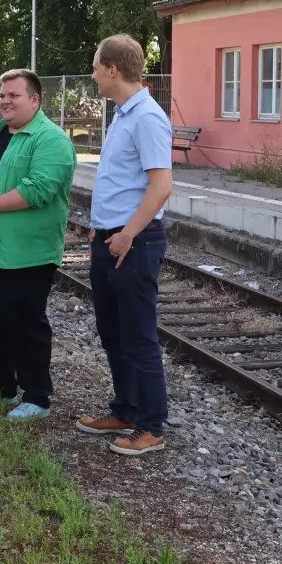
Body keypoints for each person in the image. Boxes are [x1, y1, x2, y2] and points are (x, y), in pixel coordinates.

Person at [0, 69, 77, 420]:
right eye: (2, 95)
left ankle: (37, 397)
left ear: (34, 100)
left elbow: (39, 188)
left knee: (24, 323)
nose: (5, 101)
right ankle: (1, 386)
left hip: (27, 253)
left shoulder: (51, 139)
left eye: (14, 95)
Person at [74, 34, 174, 456]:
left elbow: (161, 186)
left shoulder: (147, 118)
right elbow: (122, 182)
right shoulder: (122, 114)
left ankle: (151, 425)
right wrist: (103, 227)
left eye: (97, 67)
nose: (93, 75)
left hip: (134, 242)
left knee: (138, 336)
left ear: (113, 70)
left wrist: (128, 232)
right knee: (112, 332)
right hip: (111, 237)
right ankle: (126, 410)